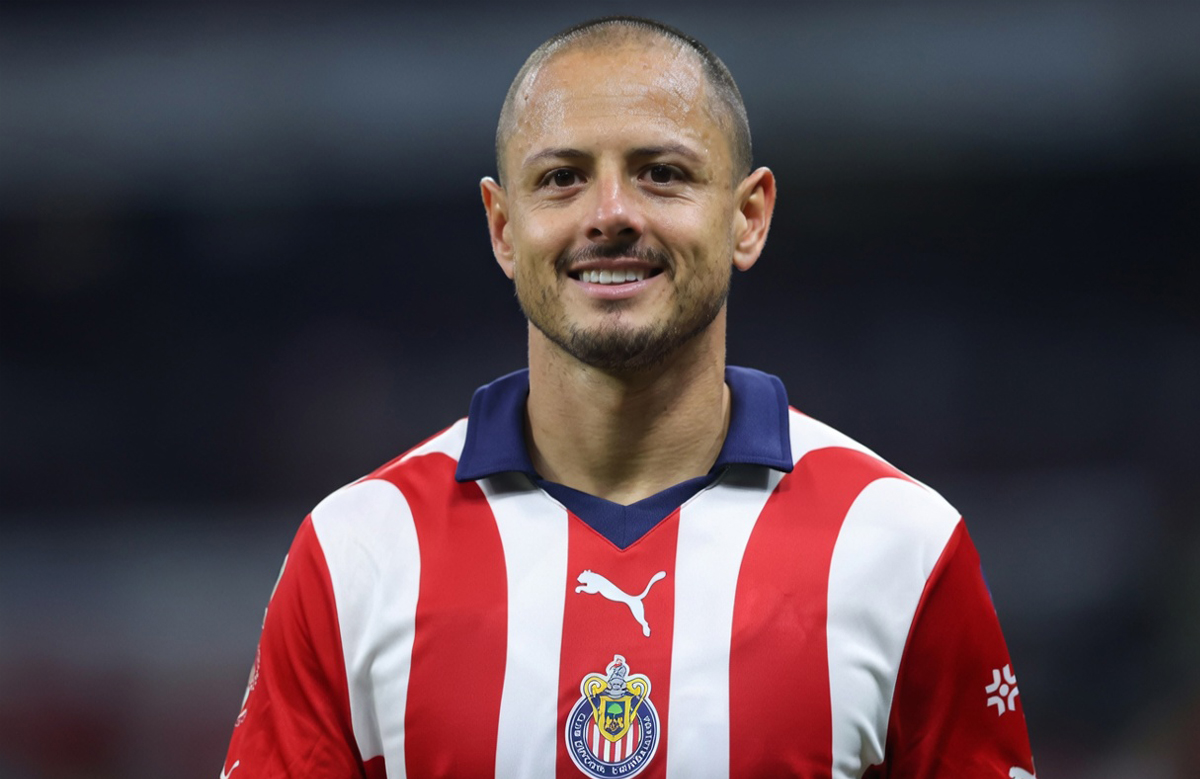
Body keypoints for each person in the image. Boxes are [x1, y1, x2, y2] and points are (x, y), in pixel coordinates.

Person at [222, 16, 1036, 779]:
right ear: (503, 228)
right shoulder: (358, 553)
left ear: (748, 217)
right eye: (562, 179)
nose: (610, 214)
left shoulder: (899, 545)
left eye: (662, 174)